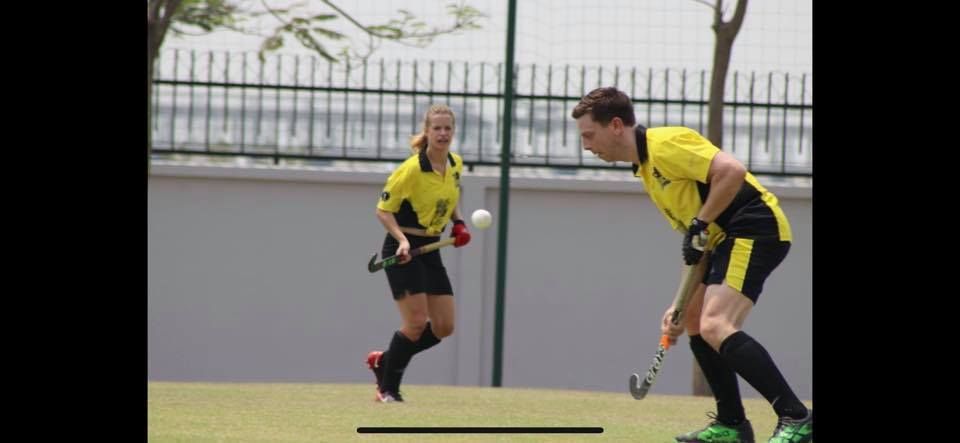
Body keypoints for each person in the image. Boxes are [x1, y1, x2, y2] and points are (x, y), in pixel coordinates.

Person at [571, 87, 812, 443]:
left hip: (754, 228)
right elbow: (696, 245)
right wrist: (678, 304)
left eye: (589, 135)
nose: (587, 146)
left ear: (617, 125)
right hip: (722, 240)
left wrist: (701, 222)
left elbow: (731, 171)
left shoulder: (665, 143)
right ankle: (732, 424)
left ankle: (796, 417)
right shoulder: (648, 172)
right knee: (696, 319)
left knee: (717, 324)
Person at [366, 104, 471, 403]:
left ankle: (384, 361)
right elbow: (383, 211)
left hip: (431, 248)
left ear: (453, 131)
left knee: (444, 327)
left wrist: (459, 223)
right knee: (415, 324)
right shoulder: (411, 169)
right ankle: (388, 389)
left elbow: (450, 198)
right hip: (402, 250)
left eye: (447, 128)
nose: (442, 133)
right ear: (427, 132)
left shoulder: (455, 164)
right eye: (436, 128)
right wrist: (400, 240)